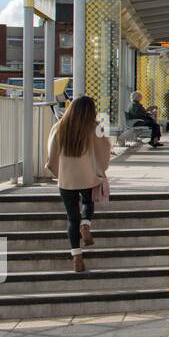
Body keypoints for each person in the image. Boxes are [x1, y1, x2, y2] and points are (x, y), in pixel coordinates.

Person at [46, 96, 111, 273]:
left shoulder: (59, 126)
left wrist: (58, 172)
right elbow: (105, 149)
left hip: (66, 179)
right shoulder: (95, 127)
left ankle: (76, 258)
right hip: (88, 176)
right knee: (88, 203)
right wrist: (100, 169)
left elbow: (52, 154)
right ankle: (86, 224)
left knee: (71, 218)